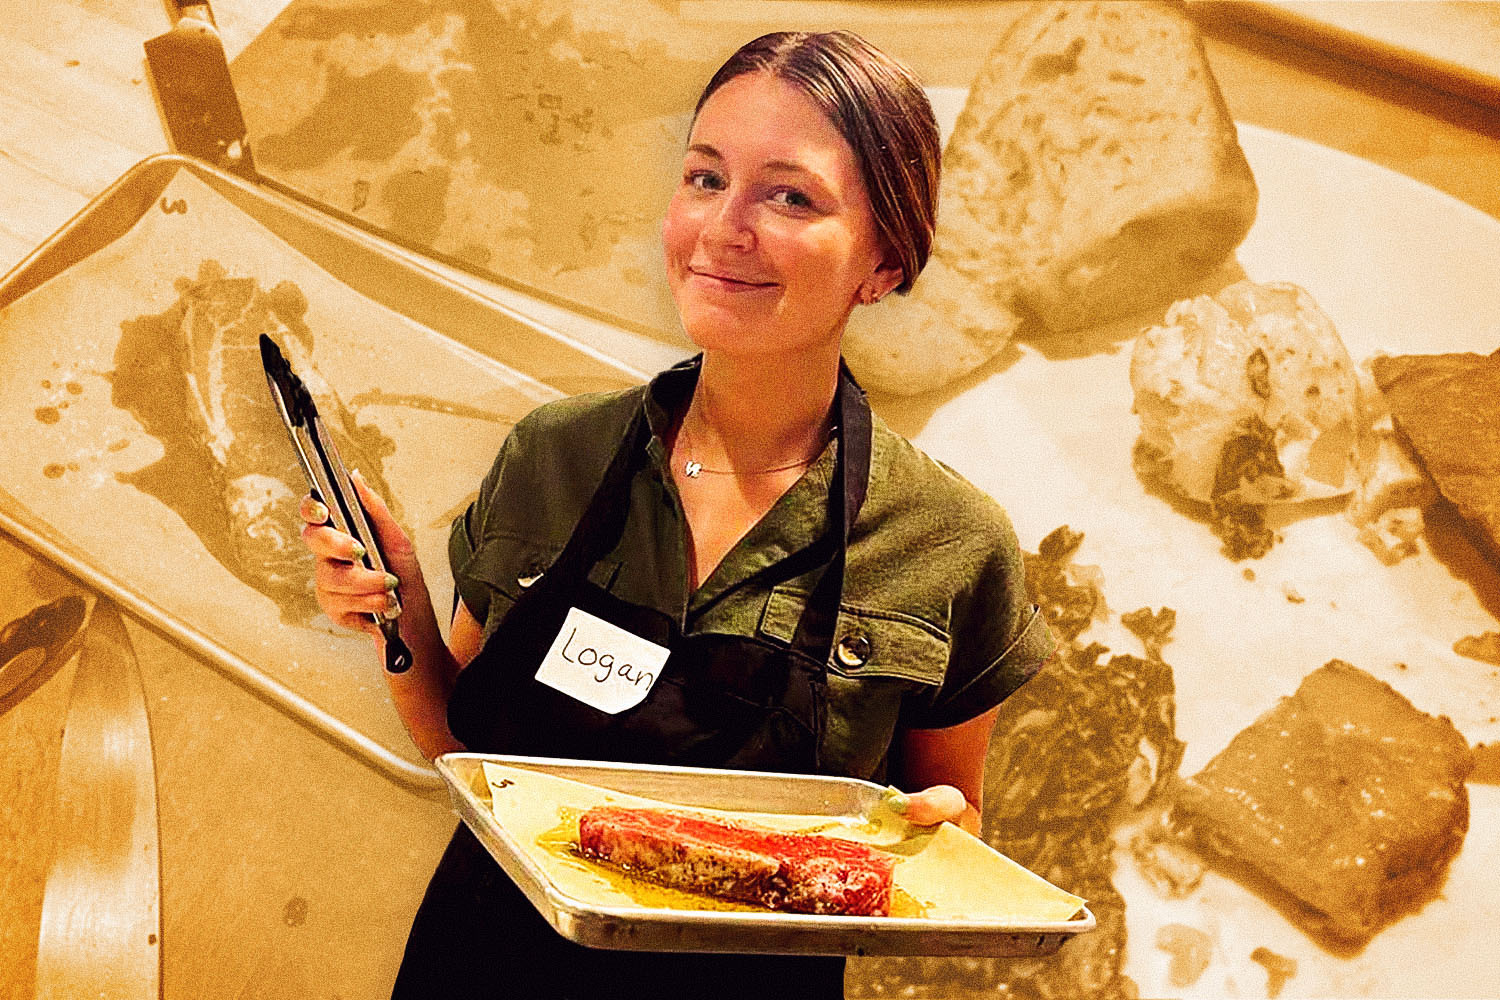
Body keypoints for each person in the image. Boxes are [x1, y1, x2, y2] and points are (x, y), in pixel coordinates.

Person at [300, 30, 1055, 1000]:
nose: (723, 226)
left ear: (884, 260)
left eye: (790, 195)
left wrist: (934, 837)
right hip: (481, 961)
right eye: (705, 177)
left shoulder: (951, 543)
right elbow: (466, 753)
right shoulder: (553, 454)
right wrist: (399, 611)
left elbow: (952, 821)